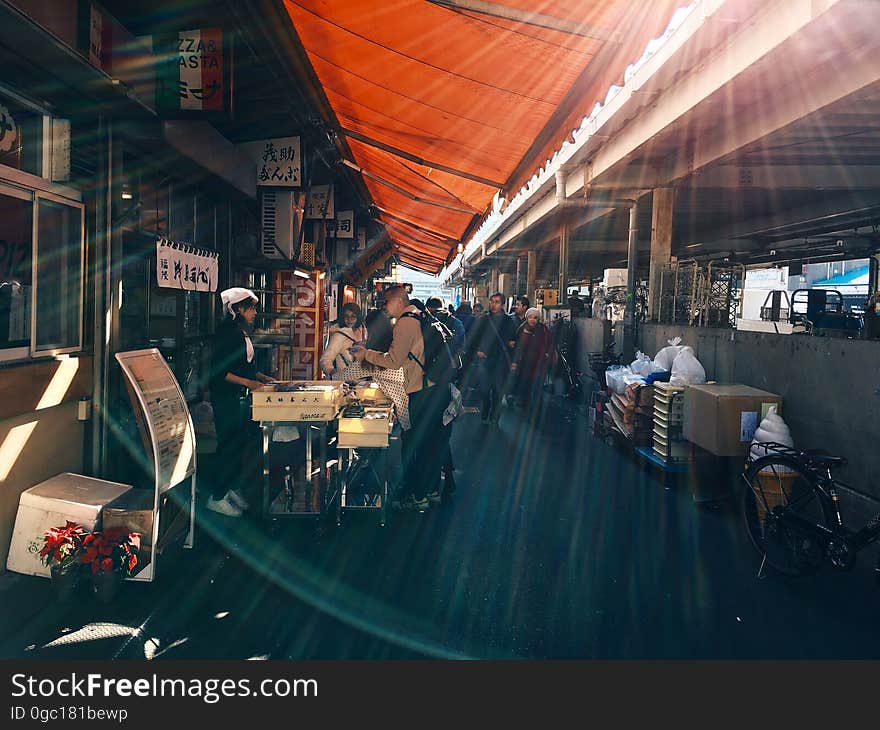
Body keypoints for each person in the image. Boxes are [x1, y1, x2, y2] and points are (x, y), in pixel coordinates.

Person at [354, 286, 449, 511]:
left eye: (386, 302)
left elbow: (395, 360)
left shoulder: (406, 322)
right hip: (433, 387)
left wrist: (365, 354)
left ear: (397, 301)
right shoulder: (420, 315)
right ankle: (432, 490)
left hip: (420, 391)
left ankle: (418, 496)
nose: (385, 307)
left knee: (416, 444)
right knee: (430, 443)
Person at [207, 287, 274, 517]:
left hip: (239, 398)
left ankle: (231, 489)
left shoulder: (241, 331)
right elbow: (219, 372)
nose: (255, 312)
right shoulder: (227, 332)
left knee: (237, 445)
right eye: (251, 308)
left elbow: (244, 365)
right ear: (237, 309)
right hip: (226, 398)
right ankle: (216, 496)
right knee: (227, 446)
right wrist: (248, 383)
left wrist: (260, 378)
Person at [426, 297, 464, 497]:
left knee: (435, 437)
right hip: (449, 382)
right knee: (442, 433)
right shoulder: (456, 323)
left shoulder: (431, 325)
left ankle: (434, 484)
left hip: (432, 384)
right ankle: (447, 477)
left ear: (430, 308)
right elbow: (460, 348)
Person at [466, 291, 516, 425]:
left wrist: (513, 353)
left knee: (498, 391)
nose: (493, 305)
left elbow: (514, 340)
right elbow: (473, 338)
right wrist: (476, 351)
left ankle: (495, 415)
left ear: (503, 305)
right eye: (492, 302)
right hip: (485, 360)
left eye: (497, 302)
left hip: (501, 360)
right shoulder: (483, 319)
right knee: (484, 389)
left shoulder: (508, 321)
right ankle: (486, 406)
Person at [511, 307, 552, 413]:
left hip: (540, 363)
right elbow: (517, 347)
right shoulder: (522, 329)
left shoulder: (543, 329)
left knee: (537, 386)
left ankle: (536, 409)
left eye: (535, 318)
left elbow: (549, 343)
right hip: (525, 363)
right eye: (530, 317)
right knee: (526, 385)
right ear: (527, 318)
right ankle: (525, 406)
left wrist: (547, 354)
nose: (533, 320)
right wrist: (515, 361)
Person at [320, 303, 367, 378]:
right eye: (346, 316)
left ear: (358, 317)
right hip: (346, 381)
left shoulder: (364, 332)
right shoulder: (339, 336)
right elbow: (325, 359)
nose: (349, 319)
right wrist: (333, 373)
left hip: (365, 379)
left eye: (353, 316)